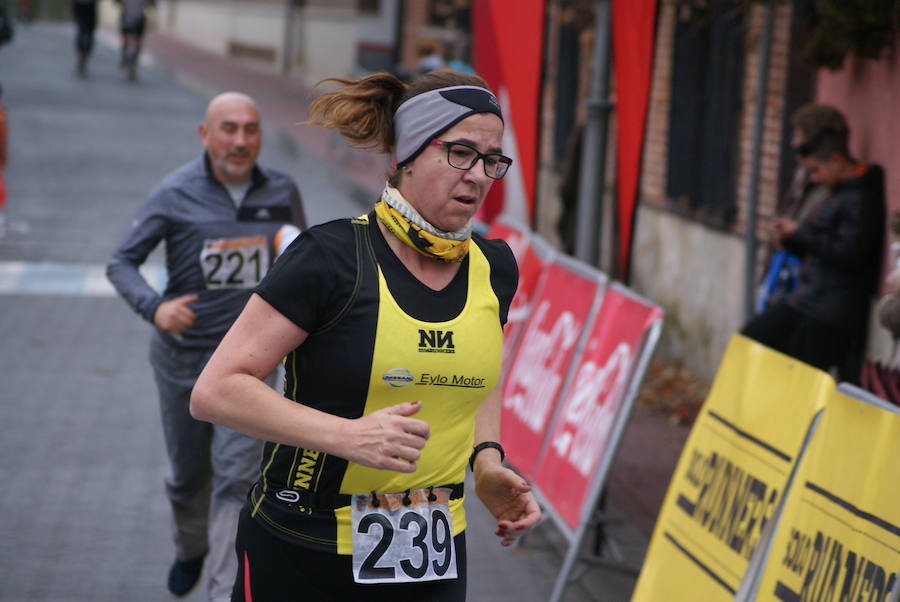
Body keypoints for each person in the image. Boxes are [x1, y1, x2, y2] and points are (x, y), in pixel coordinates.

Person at [190, 70, 541, 600]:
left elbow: (479, 372)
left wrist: (487, 461)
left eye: (492, 160)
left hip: (431, 554)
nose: (477, 176)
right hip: (304, 546)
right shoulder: (329, 258)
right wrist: (346, 436)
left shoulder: (494, 266)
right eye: (461, 153)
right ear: (407, 155)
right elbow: (215, 390)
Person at [106, 92, 307, 601]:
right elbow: (121, 263)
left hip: (249, 364)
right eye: (229, 128)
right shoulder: (174, 192)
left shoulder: (283, 191)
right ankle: (189, 546)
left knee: (236, 483)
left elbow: (303, 262)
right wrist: (156, 308)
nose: (240, 141)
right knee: (188, 475)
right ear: (205, 134)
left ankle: (223, 593)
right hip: (183, 358)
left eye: (251, 129)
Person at [741, 125, 885, 381]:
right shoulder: (838, 194)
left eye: (816, 170)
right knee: (750, 342)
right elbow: (820, 249)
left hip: (830, 312)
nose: (814, 178)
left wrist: (800, 233)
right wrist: (790, 239)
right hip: (807, 300)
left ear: (837, 161)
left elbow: (849, 254)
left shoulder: (862, 199)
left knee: (802, 380)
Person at [757, 104, 850, 311]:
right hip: (786, 277)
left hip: (806, 291)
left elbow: (827, 242)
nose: (793, 142)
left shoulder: (830, 188)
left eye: (799, 135)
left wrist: (796, 232)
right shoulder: (804, 176)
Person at [116, 0, 151, 81]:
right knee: (126, 39)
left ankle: (133, 61)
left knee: (138, 41)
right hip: (127, 17)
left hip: (138, 19)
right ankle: (125, 56)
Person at [71, 0, 97, 77]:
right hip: (80, 6)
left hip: (90, 6)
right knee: (81, 32)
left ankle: (85, 56)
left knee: (89, 34)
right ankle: (81, 55)